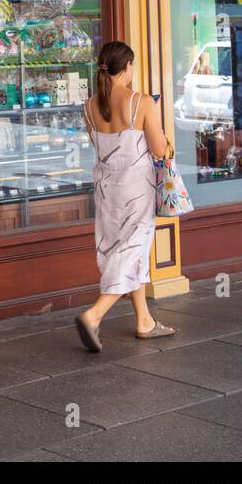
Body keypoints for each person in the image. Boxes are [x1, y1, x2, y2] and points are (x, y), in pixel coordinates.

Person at [74, 40, 174, 352]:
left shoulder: (89, 107)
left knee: (122, 249)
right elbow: (159, 150)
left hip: (106, 189)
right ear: (127, 68)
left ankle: (144, 320)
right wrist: (170, 146)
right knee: (132, 250)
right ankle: (94, 314)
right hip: (136, 189)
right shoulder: (140, 102)